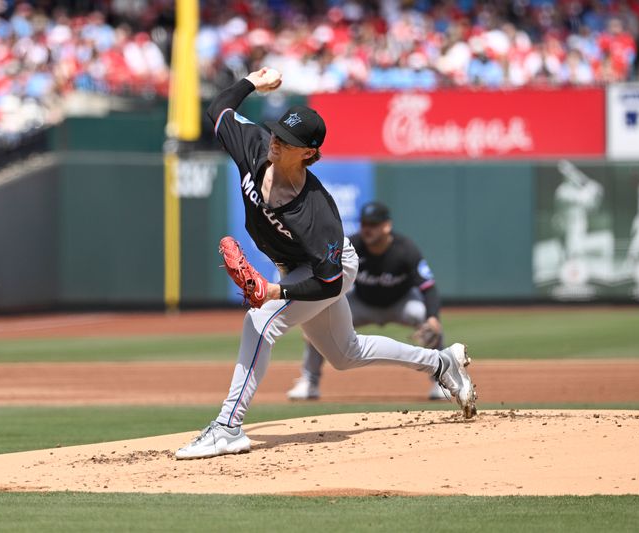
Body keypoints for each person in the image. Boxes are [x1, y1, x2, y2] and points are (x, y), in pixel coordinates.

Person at [175, 67, 477, 460]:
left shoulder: (316, 212)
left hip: (329, 269)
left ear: (308, 153)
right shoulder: (254, 145)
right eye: (278, 133)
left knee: (261, 320)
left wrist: (275, 292)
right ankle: (441, 363)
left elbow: (330, 282)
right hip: (293, 267)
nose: (277, 142)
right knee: (346, 354)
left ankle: (228, 427)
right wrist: (252, 81)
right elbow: (218, 108)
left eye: (288, 140)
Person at [286, 201, 450, 401]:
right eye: (364, 223)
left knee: (426, 319)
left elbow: (428, 286)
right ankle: (309, 382)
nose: (367, 229)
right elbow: (326, 280)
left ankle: (442, 380)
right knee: (320, 326)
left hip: (401, 303)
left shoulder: (405, 249)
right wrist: (314, 318)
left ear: (386, 226)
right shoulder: (352, 245)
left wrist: (433, 317)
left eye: (373, 224)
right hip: (362, 304)